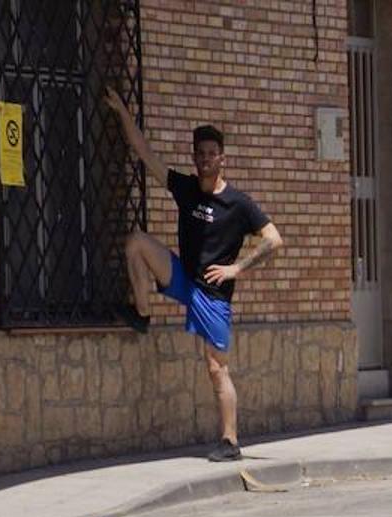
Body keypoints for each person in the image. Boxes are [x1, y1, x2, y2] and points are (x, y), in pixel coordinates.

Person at [105, 89, 283, 462]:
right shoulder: (185, 188)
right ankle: (141, 313)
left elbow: (274, 240)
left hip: (214, 296)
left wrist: (237, 268)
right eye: (199, 155)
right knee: (136, 242)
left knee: (217, 369)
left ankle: (230, 442)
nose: (205, 160)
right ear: (194, 158)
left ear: (222, 158)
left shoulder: (238, 203)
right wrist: (122, 112)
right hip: (185, 277)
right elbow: (145, 154)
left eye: (211, 154)